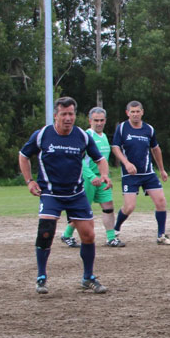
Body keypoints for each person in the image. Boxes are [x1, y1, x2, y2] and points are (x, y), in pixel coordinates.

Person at [18, 96, 110, 295]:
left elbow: (100, 159)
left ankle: (88, 277)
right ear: (55, 115)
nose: (68, 118)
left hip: (76, 193)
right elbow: (23, 156)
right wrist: (29, 181)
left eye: (71, 114)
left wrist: (104, 174)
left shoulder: (82, 136)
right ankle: (41, 277)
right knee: (46, 232)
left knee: (88, 235)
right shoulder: (42, 135)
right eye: (64, 114)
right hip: (50, 193)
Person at [111, 101, 170, 245]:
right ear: (127, 113)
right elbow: (115, 147)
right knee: (129, 207)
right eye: (132, 112)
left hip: (148, 173)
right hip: (130, 175)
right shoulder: (122, 128)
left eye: (137, 111)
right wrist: (126, 163)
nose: (135, 114)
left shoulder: (149, 129)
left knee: (161, 202)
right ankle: (114, 231)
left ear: (142, 112)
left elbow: (155, 149)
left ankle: (161, 235)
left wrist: (162, 169)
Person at [60, 107, 124, 248]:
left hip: (102, 179)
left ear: (105, 120)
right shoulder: (85, 136)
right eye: (96, 120)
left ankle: (111, 238)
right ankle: (67, 234)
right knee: (82, 210)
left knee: (108, 207)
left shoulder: (104, 136)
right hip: (87, 179)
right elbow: (79, 160)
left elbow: (103, 160)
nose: (99, 123)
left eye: (101, 120)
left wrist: (105, 176)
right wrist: (90, 176)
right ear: (90, 121)